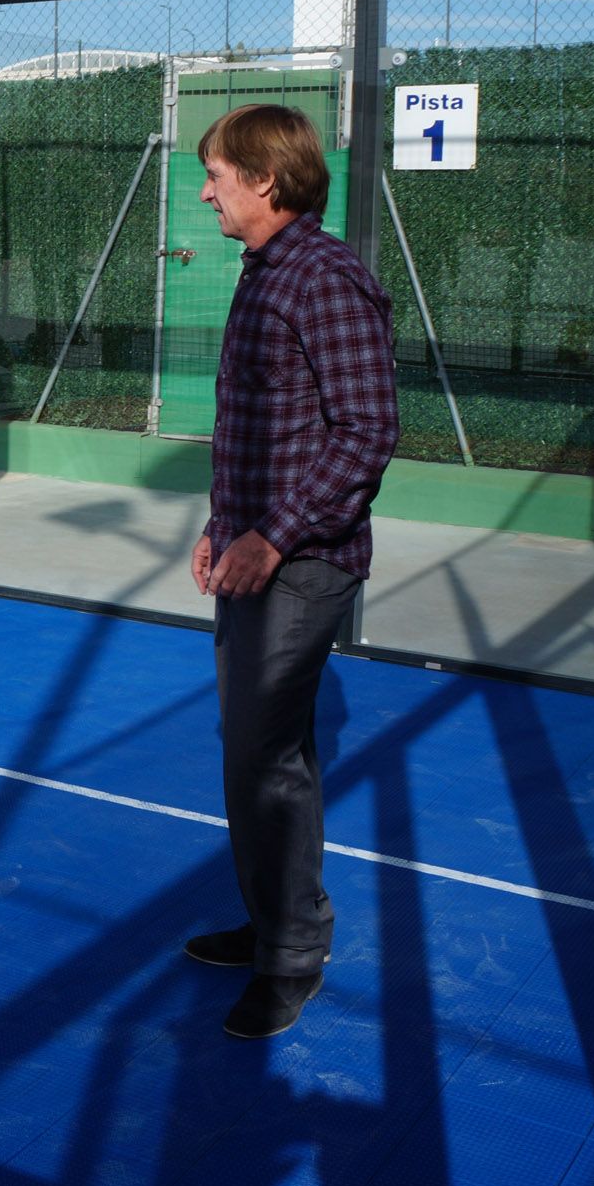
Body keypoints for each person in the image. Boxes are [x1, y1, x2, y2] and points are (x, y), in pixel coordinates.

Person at [181, 106, 397, 1039]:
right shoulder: (266, 269)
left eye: (218, 175)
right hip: (258, 551)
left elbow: (365, 433)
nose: (206, 191)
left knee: (263, 757)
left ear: (266, 180)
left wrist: (271, 537)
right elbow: (265, 430)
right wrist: (222, 524)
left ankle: (292, 958)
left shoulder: (324, 275)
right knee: (259, 749)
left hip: (303, 564)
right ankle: (277, 921)